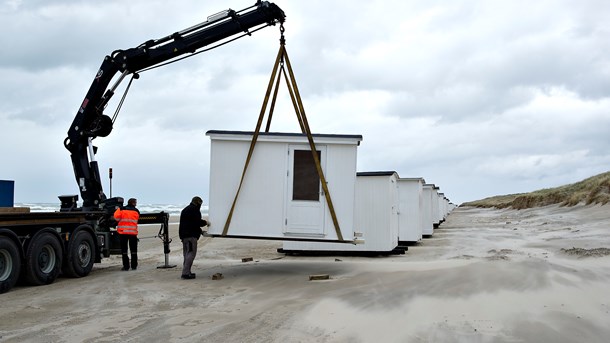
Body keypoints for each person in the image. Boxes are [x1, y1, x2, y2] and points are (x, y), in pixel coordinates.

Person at [179, 196, 208, 280]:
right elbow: (197, 222)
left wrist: (200, 231)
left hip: (184, 236)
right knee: (191, 254)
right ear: (198, 202)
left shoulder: (185, 210)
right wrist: (205, 222)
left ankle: (187, 271)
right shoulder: (195, 210)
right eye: (200, 203)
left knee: (186, 254)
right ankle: (185, 273)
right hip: (191, 236)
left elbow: (189, 223)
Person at [114, 198, 140, 271]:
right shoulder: (136, 211)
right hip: (132, 233)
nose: (136, 204)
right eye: (136, 202)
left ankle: (126, 266)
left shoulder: (121, 209)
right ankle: (134, 266)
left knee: (124, 251)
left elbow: (116, 217)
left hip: (123, 233)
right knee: (134, 250)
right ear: (133, 203)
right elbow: (137, 219)